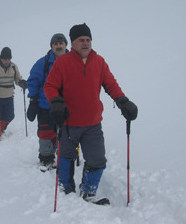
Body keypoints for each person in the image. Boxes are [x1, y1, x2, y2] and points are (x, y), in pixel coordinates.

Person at [44, 23, 138, 205]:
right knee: (65, 157)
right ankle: (66, 187)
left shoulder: (99, 62)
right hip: (68, 122)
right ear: (73, 43)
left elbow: (110, 84)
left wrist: (122, 101)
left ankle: (88, 191)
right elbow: (50, 86)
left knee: (97, 159)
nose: (86, 43)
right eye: (81, 40)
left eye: (88, 40)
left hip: (93, 123)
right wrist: (55, 102)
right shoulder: (63, 62)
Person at [27, 33, 68, 171]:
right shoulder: (42, 63)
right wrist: (33, 101)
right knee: (46, 132)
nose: (58, 46)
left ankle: (64, 157)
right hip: (46, 105)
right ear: (51, 46)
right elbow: (33, 81)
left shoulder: (73, 61)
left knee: (64, 133)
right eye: (55, 44)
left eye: (61, 43)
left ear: (65, 45)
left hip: (66, 106)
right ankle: (46, 158)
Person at [0, 47, 27, 141]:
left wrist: (22, 83)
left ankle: (1, 128)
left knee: (10, 116)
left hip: (9, 97)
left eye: (9, 59)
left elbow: (17, 79)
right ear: (1, 58)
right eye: (5, 59)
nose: (7, 61)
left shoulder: (13, 67)